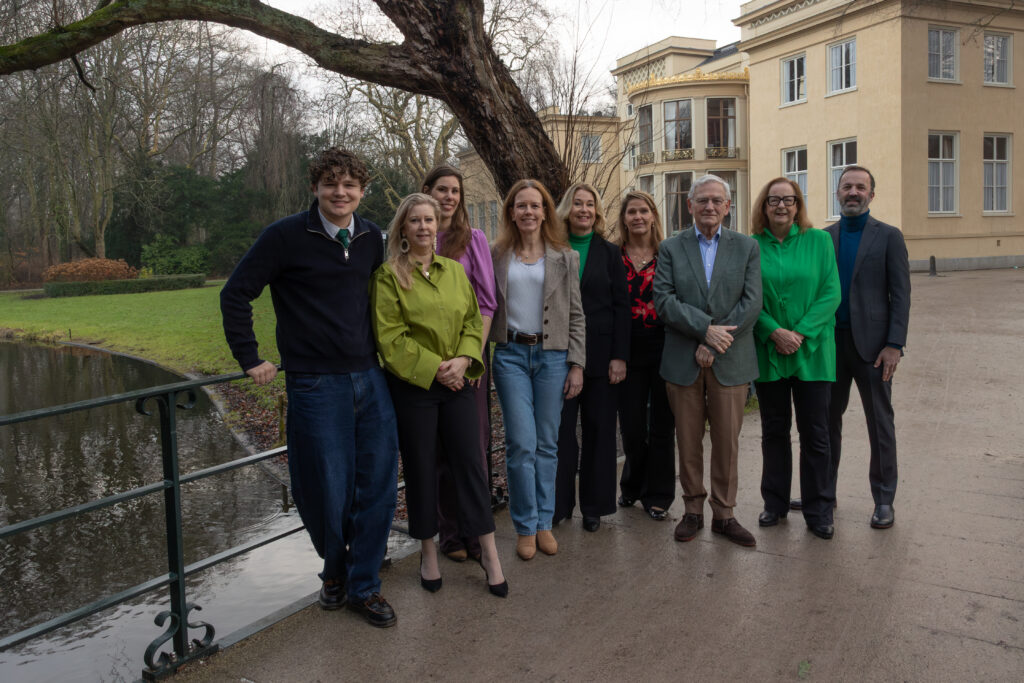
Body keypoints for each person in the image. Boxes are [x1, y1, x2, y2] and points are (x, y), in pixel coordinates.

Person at [220, 147, 399, 627]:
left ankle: (364, 585)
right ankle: (335, 572)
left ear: (361, 190)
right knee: (324, 487)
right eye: (330, 183)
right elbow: (236, 293)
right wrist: (250, 357)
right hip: (315, 383)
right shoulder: (284, 237)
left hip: (369, 375)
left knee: (378, 483)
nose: (340, 193)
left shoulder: (372, 238)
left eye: (350, 185)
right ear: (315, 187)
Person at [371, 193, 507, 598]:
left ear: (437, 226)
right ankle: (428, 552)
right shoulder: (388, 276)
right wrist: (436, 369)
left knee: (471, 465)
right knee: (422, 469)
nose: (424, 227)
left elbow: (472, 319)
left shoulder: (453, 271)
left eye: (429, 220)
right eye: (415, 221)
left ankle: (489, 552)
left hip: (460, 382)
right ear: (403, 228)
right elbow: (390, 339)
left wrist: (465, 360)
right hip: (415, 388)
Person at [653, 174, 762, 548]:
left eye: (717, 200)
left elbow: (751, 304)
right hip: (682, 360)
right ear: (689, 205)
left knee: (727, 442)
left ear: (728, 206)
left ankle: (725, 514)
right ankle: (693, 510)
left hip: (730, 361)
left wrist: (714, 343)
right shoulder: (670, 248)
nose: (709, 207)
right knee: (687, 440)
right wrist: (704, 331)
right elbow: (664, 301)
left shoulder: (747, 247)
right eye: (702, 200)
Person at [489, 179, 586, 561]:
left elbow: (576, 315)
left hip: (552, 358)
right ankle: (525, 526)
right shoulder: (496, 254)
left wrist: (577, 363)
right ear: (511, 212)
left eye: (535, 205)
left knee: (548, 443)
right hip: (510, 354)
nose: (528, 212)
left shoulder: (565, 256)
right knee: (520, 444)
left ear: (545, 211)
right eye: (520, 206)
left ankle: (545, 522)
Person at [750, 178, 841, 540]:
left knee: (816, 433)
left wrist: (799, 333)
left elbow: (831, 292)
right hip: (770, 351)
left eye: (789, 200)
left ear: (798, 204)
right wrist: (773, 331)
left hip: (813, 352)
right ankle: (775, 503)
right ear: (764, 206)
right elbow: (747, 297)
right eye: (774, 200)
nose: (781, 206)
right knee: (774, 431)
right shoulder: (750, 246)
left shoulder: (819, 241)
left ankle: (819, 509)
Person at [824, 165, 910, 529]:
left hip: (874, 349)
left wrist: (894, 344)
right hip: (830, 346)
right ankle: (823, 495)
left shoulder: (889, 236)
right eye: (847, 187)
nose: (853, 192)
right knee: (825, 425)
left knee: (880, 424)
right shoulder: (824, 238)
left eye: (860, 187)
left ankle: (884, 499)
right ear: (838, 193)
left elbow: (901, 294)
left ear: (871, 195)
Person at [421, 165, 498, 564]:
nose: (449, 197)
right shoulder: (414, 237)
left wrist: (469, 357)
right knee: (436, 450)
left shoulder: (474, 240)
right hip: (426, 363)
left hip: (469, 358)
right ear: (426, 191)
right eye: (441, 189)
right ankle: (448, 532)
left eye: (455, 191)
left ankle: (474, 532)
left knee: (471, 447)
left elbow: (487, 302)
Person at [552, 182, 630, 533]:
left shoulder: (609, 252)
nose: (584, 209)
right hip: (558, 353)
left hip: (601, 357)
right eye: (577, 204)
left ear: (597, 212)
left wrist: (619, 357)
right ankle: (559, 504)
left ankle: (595, 506)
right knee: (561, 432)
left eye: (590, 205)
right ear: (567, 209)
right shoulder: (552, 248)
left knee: (599, 431)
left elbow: (621, 307)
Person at [615, 191, 676, 521]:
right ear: (624, 218)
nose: (638, 216)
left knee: (664, 426)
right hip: (626, 350)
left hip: (665, 347)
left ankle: (660, 496)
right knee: (633, 427)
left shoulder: (669, 254)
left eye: (644, 210)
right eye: (632, 211)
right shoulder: (615, 256)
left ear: (653, 215)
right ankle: (632, 486)